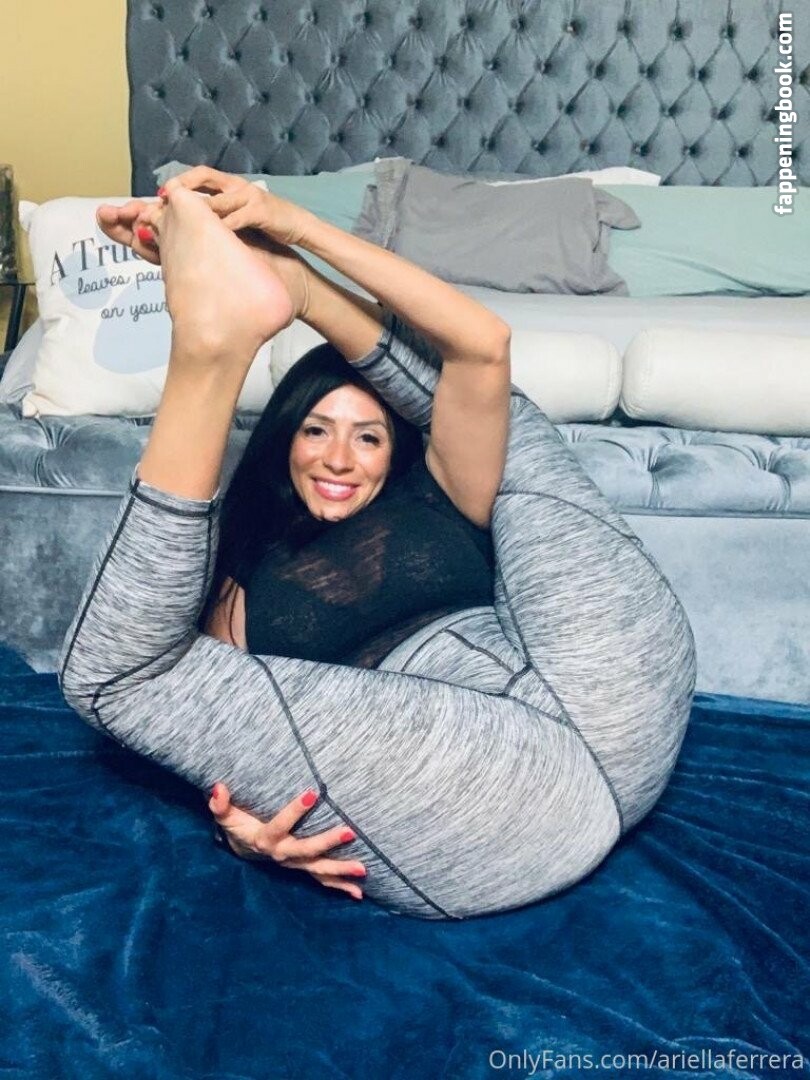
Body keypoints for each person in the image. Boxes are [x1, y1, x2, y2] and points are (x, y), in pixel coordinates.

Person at [59, 169, 696, 920]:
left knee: (505, 414)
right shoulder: (235, 583)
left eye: (369, 437)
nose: (339, 459)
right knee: (116, 674)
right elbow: (224, 741)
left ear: (395, 452)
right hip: (491, 801)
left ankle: (237, 321)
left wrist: (298, 252)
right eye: (316, 430)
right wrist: (242, 833)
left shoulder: (443, 491)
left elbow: (482, 344)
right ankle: (216, 345)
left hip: (619, 697)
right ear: (284, 438)